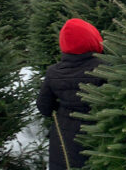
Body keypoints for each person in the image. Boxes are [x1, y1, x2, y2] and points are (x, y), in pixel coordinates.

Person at [36, 18, 105, 170]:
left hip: (63, 140)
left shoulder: (53, 71)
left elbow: (44, 107)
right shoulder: (107, 68)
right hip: (99, 137)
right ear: (94, 40)